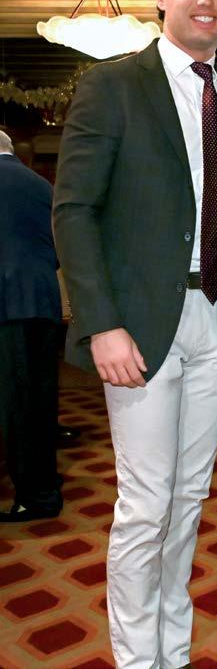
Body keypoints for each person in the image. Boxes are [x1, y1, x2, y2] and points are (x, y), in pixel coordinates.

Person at [53, 0, 217, 669]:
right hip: (140, 327)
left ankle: (172, 654)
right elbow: (73, 210)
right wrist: (101, 323)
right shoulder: (113, 85)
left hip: (216, 321)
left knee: (190, 499)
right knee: (146, 505)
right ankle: (136, 660)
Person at [0, 130, 63, 522]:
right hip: (43, 300)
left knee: (17, 408)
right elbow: (62, 245)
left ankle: (34, 497)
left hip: (7, 305)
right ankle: (44, 485)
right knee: (40, 402)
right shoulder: (42, 185)